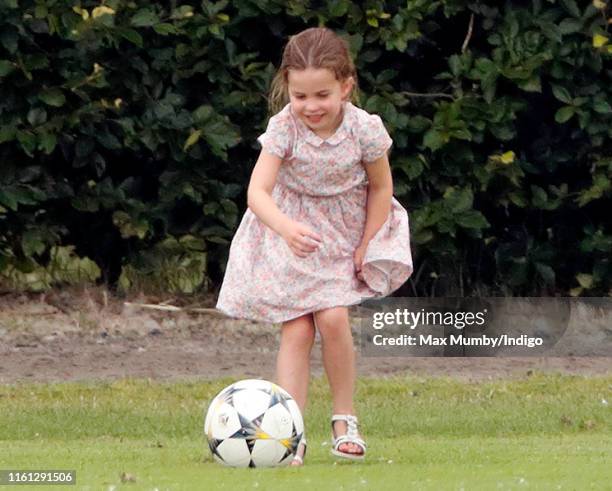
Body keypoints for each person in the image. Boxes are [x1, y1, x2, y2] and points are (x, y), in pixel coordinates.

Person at [215, 27, 413, 466]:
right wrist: (286, 229)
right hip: (293, 237)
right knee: (298, 328)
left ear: (346, 86)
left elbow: (381, 188)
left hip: (343, 236)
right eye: (300, 96)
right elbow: (257, 192)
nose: (310, 107)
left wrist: (369, 242)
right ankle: (290, 432)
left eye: (321, 95)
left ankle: (345, 420)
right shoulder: (284, 128)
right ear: (287, 87)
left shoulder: (365, 129)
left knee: (334, 316)